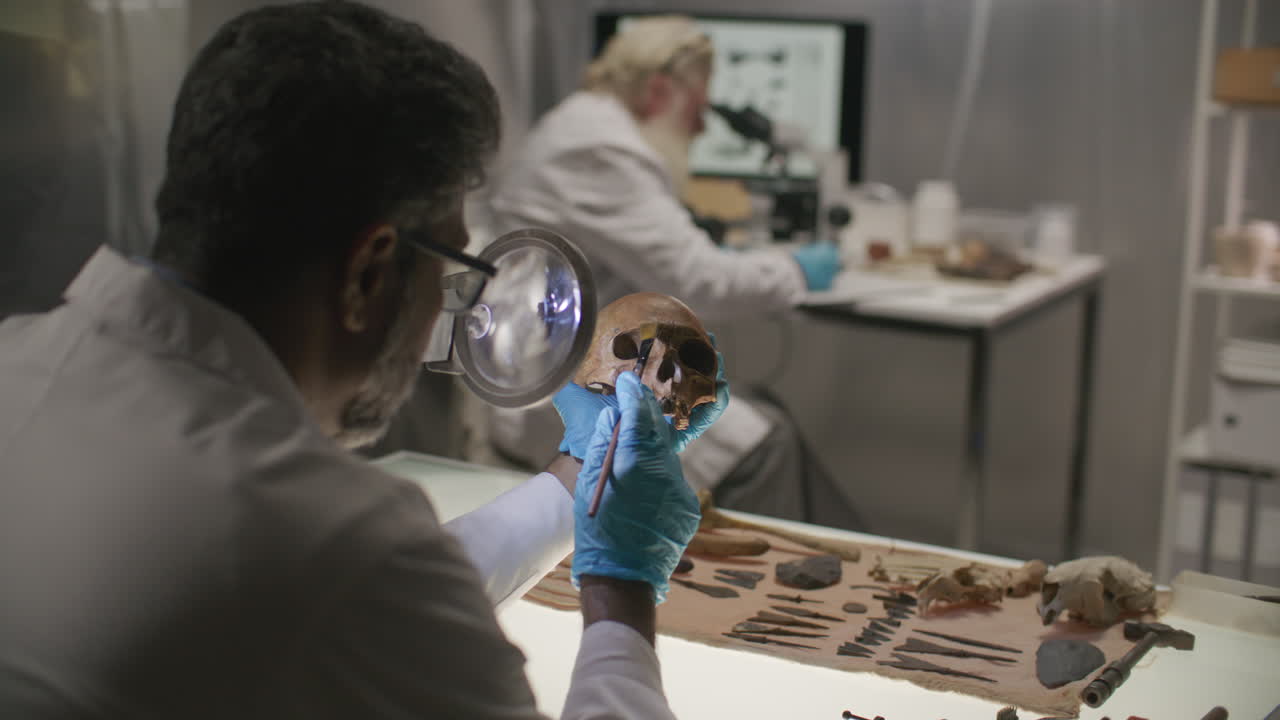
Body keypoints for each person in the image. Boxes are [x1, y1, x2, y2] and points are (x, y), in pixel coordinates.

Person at [0, 3, 725, 717]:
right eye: (450, 271)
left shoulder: (18, 360)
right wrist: (620, 597)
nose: (445, 315)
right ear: (369, 274)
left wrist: (572, 486)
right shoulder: (335, 545)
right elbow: (362, 587)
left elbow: (357, 606)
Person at [488, 15, 844, 522]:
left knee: (763, 409)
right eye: (698, 109)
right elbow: (700, 280)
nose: (701, 128)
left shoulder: (584, 126)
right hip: (558, 386)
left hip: (574, 360)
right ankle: (768, 590)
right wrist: (797, 271)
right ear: (658, 91)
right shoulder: (603, 149)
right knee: (765, 446)